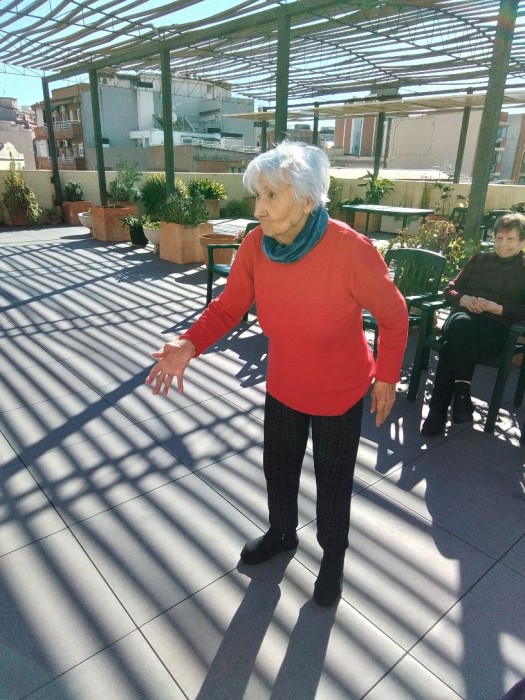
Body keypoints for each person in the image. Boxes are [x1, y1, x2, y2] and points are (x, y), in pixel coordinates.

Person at [146, 140, 408, 606]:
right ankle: (283, 532)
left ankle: (333, 557)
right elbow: (228, 307)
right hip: (285, 383)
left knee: (333, 481)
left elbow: (394, 315)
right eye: (258, 195)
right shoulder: (256, 245)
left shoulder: (350, 249)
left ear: (306, 200)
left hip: (339, 390)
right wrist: (189, 344)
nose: (259, 209)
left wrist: (386, 377)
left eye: (271, 195)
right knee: (279, 467)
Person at [421, 212, 525, 437]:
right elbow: (450, 290)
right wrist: (464, 299)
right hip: (463, 318)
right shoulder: (479, 260)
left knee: (450, 346)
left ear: (522, 242)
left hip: (495, 330)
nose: (503, 244)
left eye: (510, 239)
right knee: (461, 324)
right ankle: (461, 394)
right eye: (499, 238)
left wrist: (498, 308)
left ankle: (437, 414)